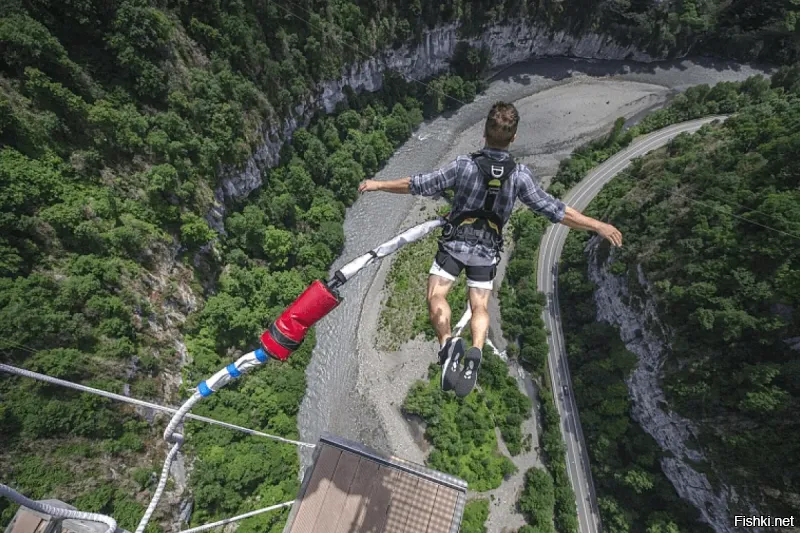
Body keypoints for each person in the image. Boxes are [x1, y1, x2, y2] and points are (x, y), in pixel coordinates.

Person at [358, 101, 623, 396]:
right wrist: (597, 225)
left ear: (484, 134)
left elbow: (416, 184)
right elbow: (557, 211)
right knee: (480, 306)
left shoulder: (464, 166)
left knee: (437, 295)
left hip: (455, 244)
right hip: (487, 250)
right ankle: (476, 349)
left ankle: (447, 344)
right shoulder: (520, 176)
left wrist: (378, 184)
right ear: (514, 138)